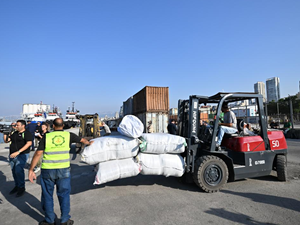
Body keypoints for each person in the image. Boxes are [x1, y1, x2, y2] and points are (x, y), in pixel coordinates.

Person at [28, 118, 93, 225]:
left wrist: (31, 169)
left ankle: (49, 220)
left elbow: (38, 153)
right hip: (64, 170)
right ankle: (65, 220)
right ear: (63, 126)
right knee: (64, 195)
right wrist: (89, 143)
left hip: (48, 170)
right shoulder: (69, 135)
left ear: (53, 126)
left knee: (47, 195)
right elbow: (82, 140)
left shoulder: (47, 136)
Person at [3, 120, 32, 197]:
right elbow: (7, 141)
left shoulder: (27, 133)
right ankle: (17, 185)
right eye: (15, 125)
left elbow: (29, 143)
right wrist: (5, 133)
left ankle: (21, 187)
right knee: (14, 171)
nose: (16, 126)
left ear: (23, 126)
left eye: (17, 125)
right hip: (12, 155)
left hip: (22, 154)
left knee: (19, 170)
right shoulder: (15, 133)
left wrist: (18, 152)